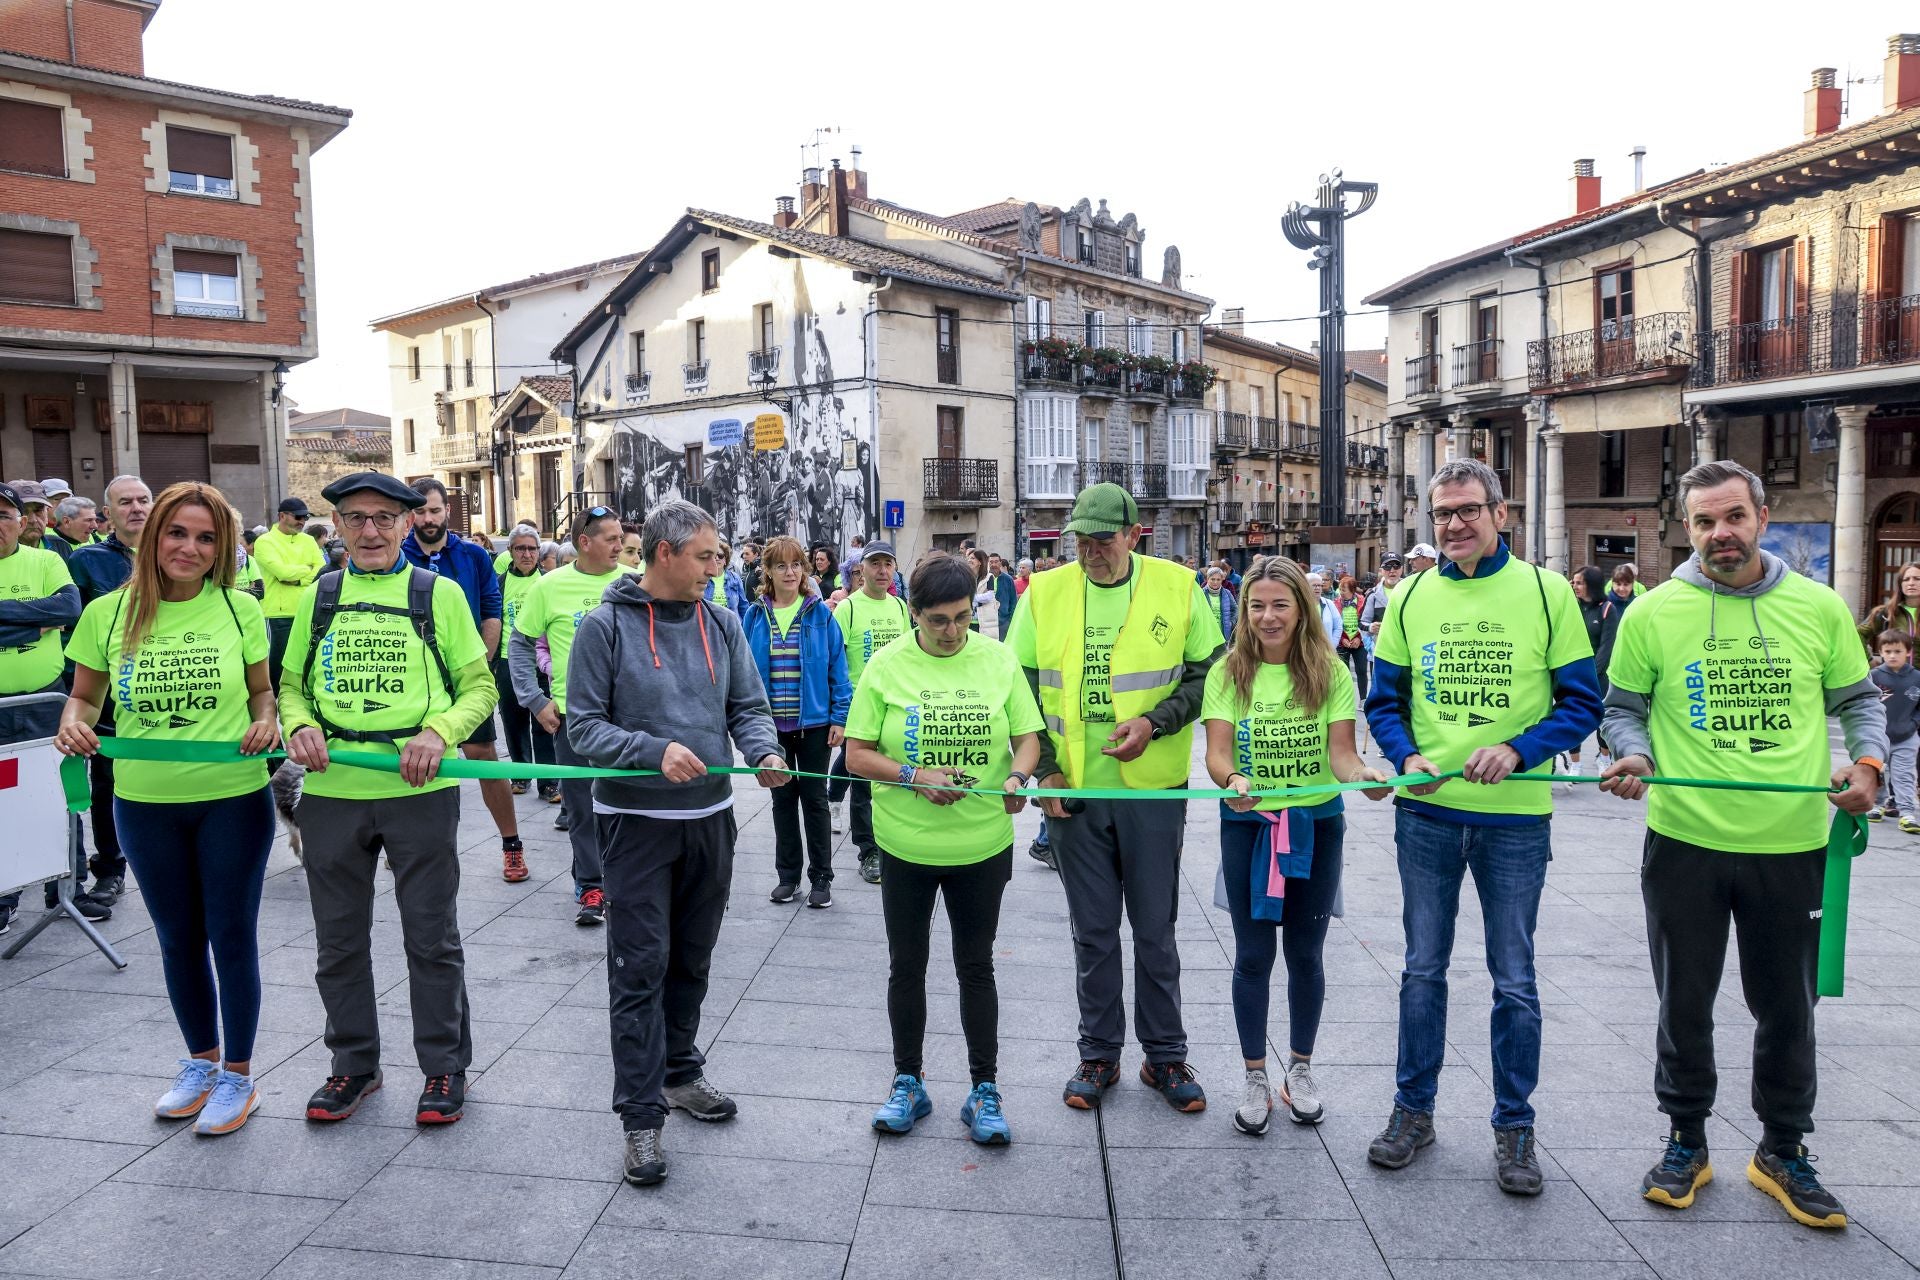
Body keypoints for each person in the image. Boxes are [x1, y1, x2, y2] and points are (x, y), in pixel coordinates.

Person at [1599, 459, 1883, 1229]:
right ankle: (1686, 1140)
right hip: (1683, 841)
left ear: (1762, 516)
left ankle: (1783, 1150)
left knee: (1787, 1005)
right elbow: (1622, 710)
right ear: (1686, 529)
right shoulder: (1653, 613)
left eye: (1732, 518)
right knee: (1682, 1002)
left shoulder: (1819, 608)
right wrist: (1634, 754)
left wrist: (1869, 764)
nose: (1719, 535)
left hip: (1791, 847)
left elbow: (1859, 702)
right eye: (1703, 523)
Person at [1364, 458, 1601, 1195]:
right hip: (1427, 814)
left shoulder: (1544, 590)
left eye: (1468, 509)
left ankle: (1514, 1128)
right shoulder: (1408, 596)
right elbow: (1383, 701)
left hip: (1515, 823)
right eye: (1442, 514)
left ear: (1502, 514)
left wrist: (1519, 749)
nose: (1455, 524)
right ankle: (1413, 1111)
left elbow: (1581, 702)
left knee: (1515, 979)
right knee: (1421, 972)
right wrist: (1406, 758)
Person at [565, 499, 788, 1187]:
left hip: (710, 819)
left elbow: (748, 707)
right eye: (705, 556)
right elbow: (583, 730)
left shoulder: (720, 621)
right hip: (635, 826)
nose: (717, 567)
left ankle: (680, 1074)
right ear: (665, 554)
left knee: (691, 959)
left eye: (718, 556)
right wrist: (651, 750)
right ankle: (640, 1121)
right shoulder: (603, 628)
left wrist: (763, 752)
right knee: (639, 969)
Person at [55, 483, 276, 1135]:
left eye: (206, 538)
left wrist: (267, 721)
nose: (190, 547)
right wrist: (73, 723)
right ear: (153, 537)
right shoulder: (108, 614)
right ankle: (200, 1064)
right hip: (144, 803)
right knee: (178, 940)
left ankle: (238, 1075)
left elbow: (263, 692)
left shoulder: (241, 611)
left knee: (231, 937)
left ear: (222, 549)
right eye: (178, 532)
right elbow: (85, 699)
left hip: (233, 798)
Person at [281, 471, 497, 1127]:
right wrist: (299, 725)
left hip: (418, 791)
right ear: (338, 527)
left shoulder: (441, 593)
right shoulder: (320, 596)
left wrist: (441, 732)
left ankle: (443, 1068)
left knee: (431, 940)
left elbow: (479, 688)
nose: (370, 530)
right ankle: (353, 1064)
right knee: (337, 943)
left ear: (408, 523)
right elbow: (290, 686)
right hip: (331, 794)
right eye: (355, 518)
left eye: (383, 518)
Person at [1006, 482, 1226, 1113]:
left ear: (1134, 535)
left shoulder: (1177, 586)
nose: (1090, 552)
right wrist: (1045, 770)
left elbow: (1207, 673)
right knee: (1094, 930)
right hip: (1072, 790)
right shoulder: (1044, 592)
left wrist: (1154, 723)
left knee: (1155, 929)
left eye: (1103, 540)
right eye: (1081, 540)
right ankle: (1099, 1053)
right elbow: (1019, 688)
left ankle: (1165, 1058)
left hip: (1152, 790)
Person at [846, 553, 1042, 1143]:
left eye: (962, 618)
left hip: (981, 845)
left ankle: (984, 1088)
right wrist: (913, 775)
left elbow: (1028, 739)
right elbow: (857, 754)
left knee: (975, 966)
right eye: (938, 621)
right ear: (914, 615)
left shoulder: (998, 659)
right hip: (906, 844)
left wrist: (1017, 779)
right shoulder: (886, 665)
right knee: (907, 965)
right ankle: (909, 1080)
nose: (953, 632)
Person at [1203, 555, 1390, 1135]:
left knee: (1307, 955)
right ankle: (1255, 1074)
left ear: (1302, 609)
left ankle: (1301, 1070)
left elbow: (1340, 755)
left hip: (1316, 827)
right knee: (1253, 956)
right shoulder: (1228, 672)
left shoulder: (1330, 673)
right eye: (1257, 605)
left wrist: (1362, 774)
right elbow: (1217, 755)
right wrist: (1233, 780)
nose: (1267, 616)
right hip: (1249, 828)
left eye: (1280, 605)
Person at [399, 479, 524, 881]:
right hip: (415, 682)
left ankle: (512, 845)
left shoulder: (473, 555)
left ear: (446, 512)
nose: (428, 518)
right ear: (409, 514)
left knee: (485, 758)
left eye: (434, 511)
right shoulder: (397, 556)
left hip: (465, 675)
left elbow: (491, 613)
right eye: (420, 512)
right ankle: (403, 847)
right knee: (410, 759)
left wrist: (478, 671)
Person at [509, 505, 628, 925]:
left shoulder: (632, 584)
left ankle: (627, 885)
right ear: (584, 542)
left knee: (626, 807)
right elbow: (520, 644)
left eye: (620, 539)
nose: (619, 546)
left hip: (628, 722)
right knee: (581, 808)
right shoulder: (550, 586)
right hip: (573, 720)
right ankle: (591, 887)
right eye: (611, 539)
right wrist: (535, 700)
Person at [744, 536, 851, 906]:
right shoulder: (755, 614)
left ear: (804, 570)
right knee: (782, 801)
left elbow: (839, 669)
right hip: (771, 727)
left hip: (815, 725)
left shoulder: (820, 613)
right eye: (780, 566)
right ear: (768, 572)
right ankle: (788, 877)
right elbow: (743, 672)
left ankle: (822, 877)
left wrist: (840, 717)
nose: (789, 573)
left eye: (796, 565)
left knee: (815, 801)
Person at [0, 481, 84, 934]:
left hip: (43, 701)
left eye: (3, 516)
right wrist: (33, 624)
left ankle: (69, 886)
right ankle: (4, 894)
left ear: (19, 523)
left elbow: (68, 608)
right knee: (2, 803)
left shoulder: (48, 560)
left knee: (60, 790)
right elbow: (47, 616)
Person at [67, 474, 152, 908]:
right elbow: (73, 625)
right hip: (109, 699)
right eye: (125, 502)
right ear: (107, 513)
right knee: (105, 782)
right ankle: (111, 869)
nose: (136, 508)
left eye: (143, 500)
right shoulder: (88, 561)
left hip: (167, 692)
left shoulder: (176, 554)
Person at [833, 540, 911, 884]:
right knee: (862, 784)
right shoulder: (847, 609)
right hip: (858, 710)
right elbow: (833, 663)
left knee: (894, 779)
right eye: (875, 564)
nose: (882, 571)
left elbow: (909, 657)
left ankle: (893, 842)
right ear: (860, 569)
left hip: (895, 709)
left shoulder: (899, 606)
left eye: (888, 564)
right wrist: (838, 715)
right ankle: (868, 851)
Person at [498, 524, 559, 805]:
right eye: (520, 548)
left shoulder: (550, 581)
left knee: (545, 721)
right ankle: (521, 774)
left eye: (532, 548)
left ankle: (549, 783)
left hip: (542, 663)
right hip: (508, 661)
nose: (526, 554)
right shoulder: (499, 582)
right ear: (510, 551)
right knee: (513, 720)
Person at [254, 497, 327, 692]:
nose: (302, 521)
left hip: (306, 611)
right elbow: (282, 573)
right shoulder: (265, 542)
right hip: (277, 615)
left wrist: (296, 578)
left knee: (306, 663)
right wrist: (307, 570)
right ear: (282, 516)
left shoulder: (308, 540)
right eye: (298, 517)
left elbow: (321, 570)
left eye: (305, 517)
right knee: (278, 668)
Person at [1562, 565, 1622, 784]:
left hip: (1599, 675)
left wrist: (1592, 674)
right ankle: (1575, 764)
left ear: (1591, 585)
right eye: (1573, 582)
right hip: (1573, 672)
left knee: (1601, 720)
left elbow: (1607, 647)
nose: (1575, 586)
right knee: (1571, 716)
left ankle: (1603, 758)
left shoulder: (1607, 609)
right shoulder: (1572, 606)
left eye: (1579, 582)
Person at [1870, 630, 1920, 829]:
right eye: (1887, 651)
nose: (1892, 655)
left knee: (1904, 774)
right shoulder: (1873, 676)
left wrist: (1914, 723)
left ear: (1908, 652)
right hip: (1878, 737)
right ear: (1880, 652)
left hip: (1906, 737)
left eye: (1897, 651)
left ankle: (1907, 812)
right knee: (1876, 773)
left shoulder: (1917, 677)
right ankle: (1877, 805)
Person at [1860, 563, 1920, 657]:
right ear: (1900, 584)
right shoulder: (1886, 613)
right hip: (1893, 671)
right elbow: (1857, 635)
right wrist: (1869, 660)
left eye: (1917, 578)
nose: (1911, 583)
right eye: (1906, 579)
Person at [1331, 573, 1369, 701]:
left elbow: (1365, 622)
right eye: (1340, 589)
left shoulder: (1363, 602)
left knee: (1362, 671)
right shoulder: (1334, 603)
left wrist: (1359, 638)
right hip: (1343, 643)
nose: (1340, 592)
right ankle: (1344, 700)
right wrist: (1342, 639)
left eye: (1343, 589)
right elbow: (1335, 625)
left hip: (1360, 643)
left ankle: (1363, 700)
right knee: (1343, 673)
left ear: (1352, 590)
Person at [43, 495, 97, 562]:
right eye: (88, 520)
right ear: (67, 522)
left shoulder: (90, 537)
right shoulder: (46, 543)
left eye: (94, 520)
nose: (95, 526)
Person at [4, 480, 52, 551]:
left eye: (38, 510)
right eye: (24, 511)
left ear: (47, 515)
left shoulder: (61, 546)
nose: (33, 520)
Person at [1202, 565, 1237, 638]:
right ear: (1207, 579)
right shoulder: (1201, 593)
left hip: (1223, 634)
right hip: (1206, 634)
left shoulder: (1227, 593)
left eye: (1218, 580)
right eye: (1212, 579)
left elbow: (1236, 610)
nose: (1215, 582)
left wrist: (1231, 623)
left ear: (1222, 580)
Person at [1305, 571, 1340, 645]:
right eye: (1314, 585)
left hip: (1327, 652)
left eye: (1320, 585)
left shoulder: (1329, 604)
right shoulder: (1299, 605)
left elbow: (1338, 626)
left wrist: (1332, 646)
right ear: (1305, 586)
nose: (1317, 588)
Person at [988, 553, 1017, 636]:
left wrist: (1010, 620)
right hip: (987, 622)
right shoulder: (984, 578)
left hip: (1004, 621)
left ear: (1000, 563)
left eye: (996, 562)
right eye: (991, 562)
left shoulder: (1008, 579)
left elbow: (1013, 601)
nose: (993, 564)